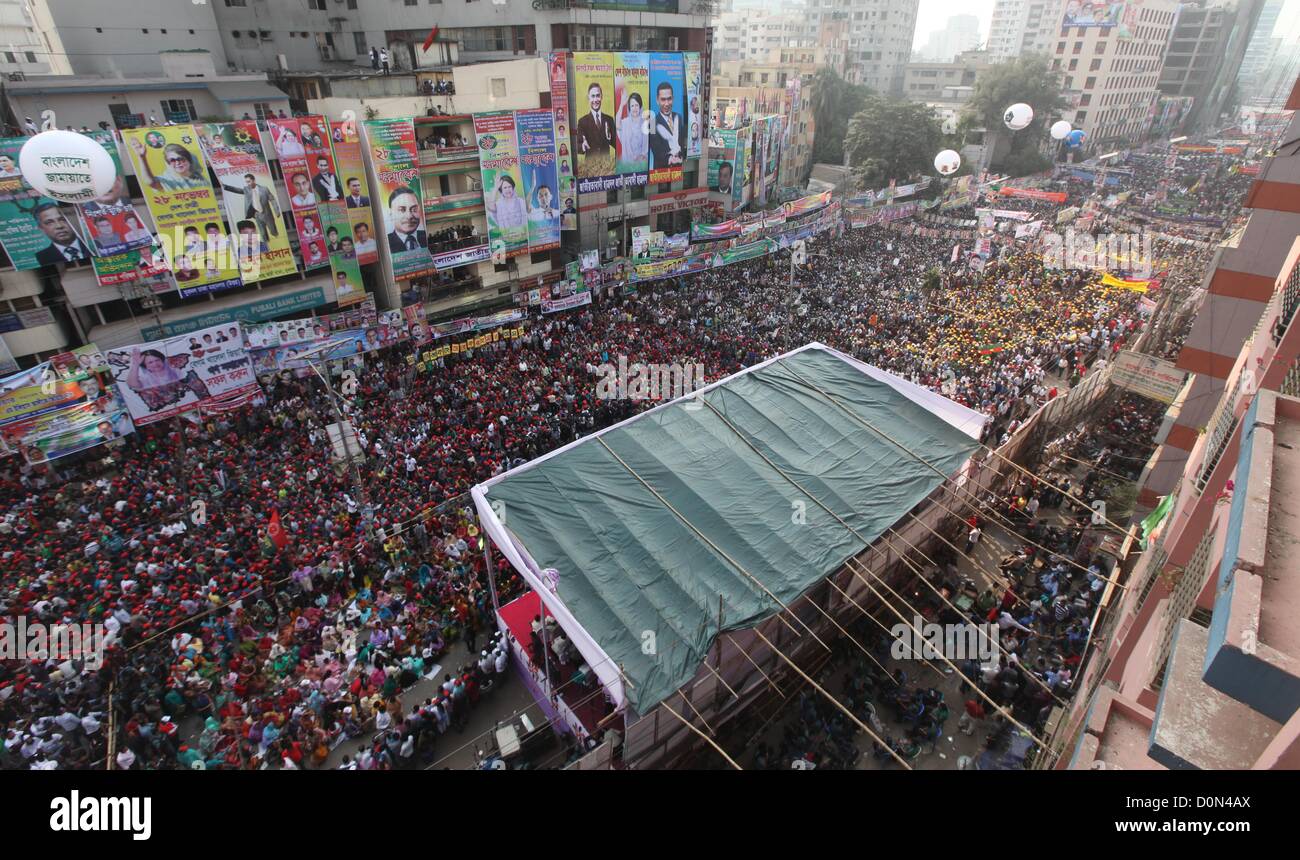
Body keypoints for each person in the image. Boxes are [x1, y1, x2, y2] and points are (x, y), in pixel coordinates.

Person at [130, 140, 208, 192]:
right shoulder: (168, 180)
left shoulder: (200, 179)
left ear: (189, 160)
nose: (177, 163)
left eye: (180, 159)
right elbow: (149, 181)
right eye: (172, 160)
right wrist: (142, 157)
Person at [220, 173, 280, 241]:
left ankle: (279, 240)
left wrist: (277, 211)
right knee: (263, 233)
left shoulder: (264, 189)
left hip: (267, 214)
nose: (248, 183)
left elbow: (272, 199)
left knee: (273, 231)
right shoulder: (246, 190)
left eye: (249, 181)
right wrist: (224, 186)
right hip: (256, 215)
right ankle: (268, 245)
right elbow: (237, 190)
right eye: (246, 182)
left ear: (254, 180)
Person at [576, 82, 615, 176]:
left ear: (602, 97)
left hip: (606, 169)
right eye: (592, 96)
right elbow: (576, 146)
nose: (595, 99)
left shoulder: (609, 119)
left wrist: (610, 139)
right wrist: (582, 146)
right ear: (588, 98)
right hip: (590, 170)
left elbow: (617, 144)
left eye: (598, 96)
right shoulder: (582, 121)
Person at [649, 81, 685, 170]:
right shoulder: (652, 124)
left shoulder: (679, 118)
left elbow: (682, 142)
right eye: (663, 99)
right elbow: (656, 150)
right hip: (661, 172)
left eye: (669, 99)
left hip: (677, 170)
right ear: (657, 100)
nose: (667, 103)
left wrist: (681, 157)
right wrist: (671, 159)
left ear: (673, 98)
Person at [385, 186, 427, 252]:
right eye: (402, 210)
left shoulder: (426, 236)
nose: (409, 216)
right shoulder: (385, 243)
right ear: (391, 214)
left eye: (414, 209)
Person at [616, 90, 648, 168]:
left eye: (636, 105)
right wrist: (621, 104)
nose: (634, 108)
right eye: (632, 106)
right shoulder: (625, 123)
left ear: (640, 106)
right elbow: (617, 124)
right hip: (628, 165)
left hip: (641, 165)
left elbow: (647, 147)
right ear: (629, 108)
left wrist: (641, 157)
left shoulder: (645, 123)